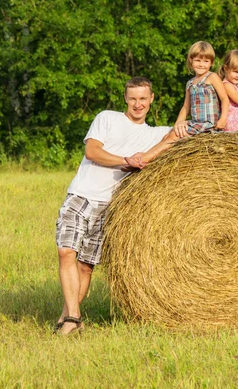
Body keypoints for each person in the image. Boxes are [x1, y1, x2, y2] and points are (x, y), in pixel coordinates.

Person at [54, 77, 172, 335]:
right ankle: (74, 316)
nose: (137, 104)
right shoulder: (107, 118)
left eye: (143, 98)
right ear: (125, 99)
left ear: (151, 99)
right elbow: (92, 152)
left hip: (108, 207)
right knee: (66, 252)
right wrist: (125, 161)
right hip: (82, 195)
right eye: (133, 98)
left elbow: (179, 134)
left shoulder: (153, 133)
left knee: (86, 265)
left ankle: (67, 320)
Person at [125, 41, 230, 168]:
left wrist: (223, 118)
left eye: (206, 61)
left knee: (173, 137)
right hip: (196, 123)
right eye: (197, 60)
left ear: (211, 62)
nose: (201, 64)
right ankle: (146, 159)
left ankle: (142, 160)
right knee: (168, 136)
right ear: (191, 60)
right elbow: (186, 107)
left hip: (208, 124)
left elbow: (224, 98)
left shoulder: (212, 77)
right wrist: (177, 125)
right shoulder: (190, 83)